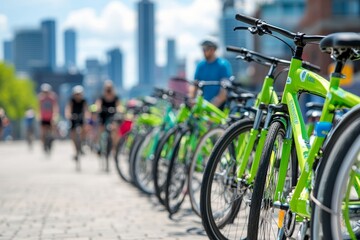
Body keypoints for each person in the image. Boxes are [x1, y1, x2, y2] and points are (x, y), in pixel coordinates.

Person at [190, 37, 232, 107]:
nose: (203, 51)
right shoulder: (200, 66)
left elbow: (225, 90)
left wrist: (211, 106)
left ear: (213, 49)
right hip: (203, 105)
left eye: (206, 49)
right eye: (202, 49)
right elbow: (195, 85)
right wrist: (191, 100)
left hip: (219, 107)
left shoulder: (223, 65)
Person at [95, 81, 121, 154]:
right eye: (107, 88)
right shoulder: (102, 97)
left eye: (110, 88)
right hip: (103, 116)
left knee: (115, 129)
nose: (108, 90)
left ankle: (114, 147)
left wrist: (119, 110)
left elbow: (119, 106)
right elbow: (98, 105)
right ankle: (99, 145)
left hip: (112, 116)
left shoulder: (116, 97)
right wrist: (98, 108)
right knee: (101, 129)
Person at [65, 85, 88, 161]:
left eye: (79, 94)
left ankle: (82, 143)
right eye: (76, 94)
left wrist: (86, 117)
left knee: (84, 129)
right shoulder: (71, 100)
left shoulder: (84, 101)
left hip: (81, 118)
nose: (78, 96)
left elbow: (86, 110)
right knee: (73, 134)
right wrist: (68, 115)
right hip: (73, 118)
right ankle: (76, 151)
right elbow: (68, 109)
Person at [38, 83, 59, 152]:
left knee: (52, 129)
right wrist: (38, 115)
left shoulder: (52, 98)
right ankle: (43, 144)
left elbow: (55, 107)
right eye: (44, 92)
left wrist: (55, 115)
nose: (46, 93)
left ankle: (52, 139)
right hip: (43, 117)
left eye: (47, 91)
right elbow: (38, 107)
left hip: (51, 117)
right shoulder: (40, 98)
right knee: (42, 131)